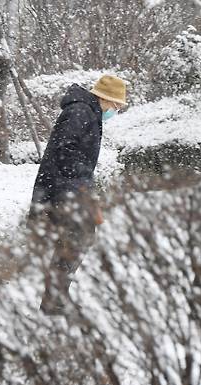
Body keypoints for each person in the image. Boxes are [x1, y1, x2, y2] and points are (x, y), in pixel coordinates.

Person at [27, 75, 127, 315]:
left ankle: (55, 299)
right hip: (63, 189)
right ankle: (54, 301)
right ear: (105, 98)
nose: (115, 110)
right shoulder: (80, 112)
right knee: (76, 241)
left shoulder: (89, 112)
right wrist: (80, 180)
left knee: (75, 241)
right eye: (115, 105)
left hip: (70, 188)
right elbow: (65, 149)